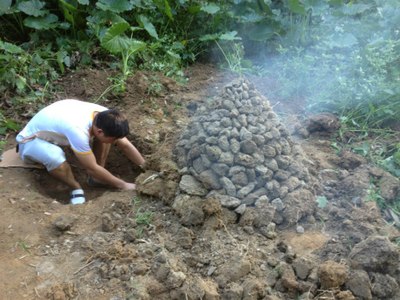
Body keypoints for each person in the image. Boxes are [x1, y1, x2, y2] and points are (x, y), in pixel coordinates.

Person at [16, 99, 145, 205]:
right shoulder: (78, 130)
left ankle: (96, 180)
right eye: (113, 140)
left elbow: (125, 144)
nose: (115, 142)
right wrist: (123, 185)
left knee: (106, 140)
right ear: (99, 131)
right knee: (55, 157)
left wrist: (145, 166)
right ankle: (75, 187)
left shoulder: (106, 116)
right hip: (29, 141)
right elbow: (91, 168)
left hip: (57, 126)